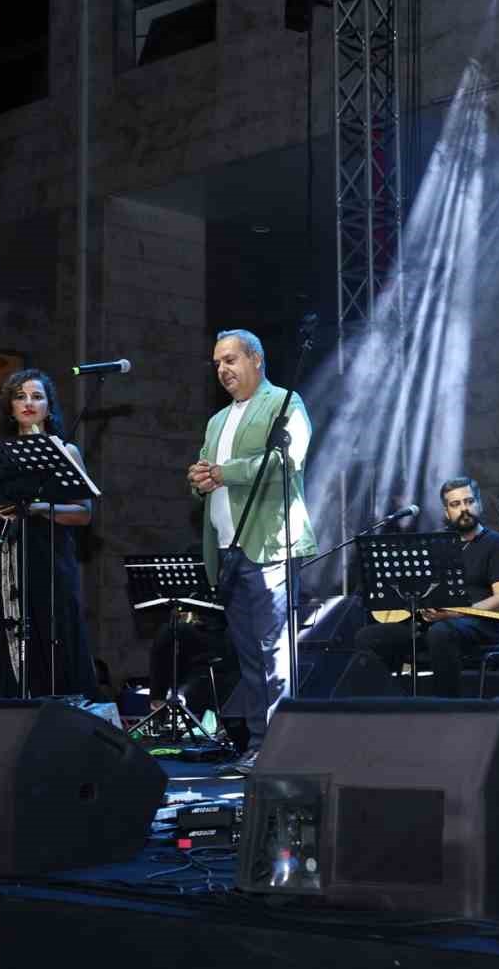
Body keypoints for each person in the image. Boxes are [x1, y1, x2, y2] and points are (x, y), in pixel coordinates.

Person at [188, 329, 316, 773]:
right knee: (248, 656)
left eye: (230, 360)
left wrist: (224, 472)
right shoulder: (217, 421)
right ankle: (258, 745)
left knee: (274, 653)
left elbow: (287, 460)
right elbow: (208, 474)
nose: (222, 369)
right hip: (227, 550)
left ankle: (282, 749)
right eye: (217, 363)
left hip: (270, 544)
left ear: (256, 360)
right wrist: (199, 479)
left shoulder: (285, 403)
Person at [0, 369, 97, 699]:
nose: (28, 403)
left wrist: (38, 508)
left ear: (49, 407)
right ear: (10, 407)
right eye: (20, 396)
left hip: (47, 555)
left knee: (51, 628)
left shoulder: (65, 450)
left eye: (37, 397)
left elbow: (84, 513)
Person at [353, 477, 499, 697]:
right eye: (455, 504)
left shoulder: (498, 544)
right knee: (368, 637)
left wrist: (455, 612)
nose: (464, 509)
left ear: (479, 504)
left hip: (480, 625)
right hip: (433, 623)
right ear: (447, 512)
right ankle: (389, 704)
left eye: (469, 501)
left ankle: (448, 706)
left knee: (441, 632)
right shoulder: (436, 543)